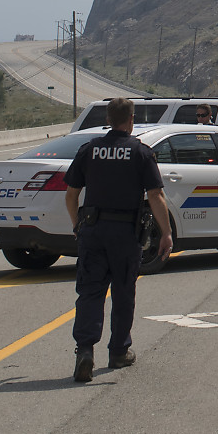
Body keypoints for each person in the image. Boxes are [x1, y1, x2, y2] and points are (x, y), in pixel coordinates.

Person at [64, 97, 173, 383]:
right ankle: (119, 351)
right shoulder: (140, 152)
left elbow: (71, 195)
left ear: (108, 120)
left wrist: (77, 226)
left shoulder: (89, 150)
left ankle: (85, 350)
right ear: (131, 119)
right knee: (123, 292)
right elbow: (155, 195)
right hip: (125, 234)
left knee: (90, 292)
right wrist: (166, 233)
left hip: (93, 231)